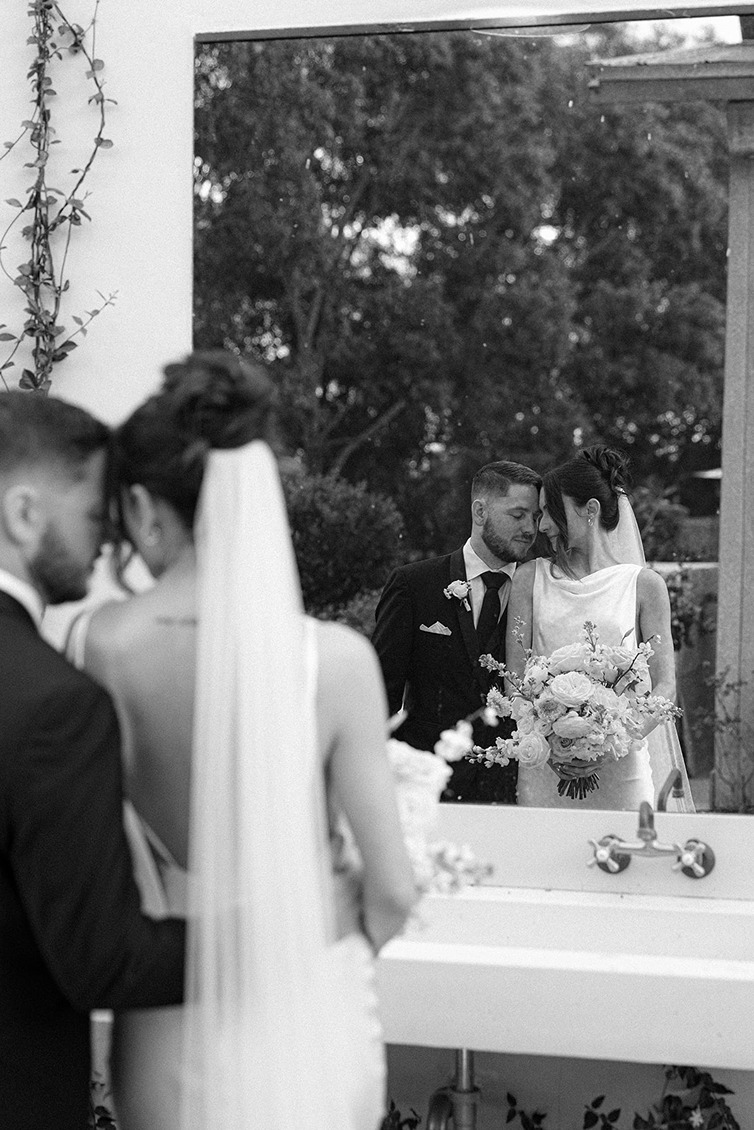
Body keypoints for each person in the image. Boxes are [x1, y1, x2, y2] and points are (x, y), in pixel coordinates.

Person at [70, 352, 416, 1130]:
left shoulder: (100, 645)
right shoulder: (334, 661)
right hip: (311, 1020)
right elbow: (392, 892)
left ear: (140, 505)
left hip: (168, 1029)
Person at [0, 392, 186, 1130]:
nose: (106, 546)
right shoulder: (54, 704)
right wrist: (279, 931)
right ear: (23, 515)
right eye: (89, 518)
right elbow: (105, 959)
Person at [508, 444, 691, 811]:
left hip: (623, 769)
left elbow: (665, 685)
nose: (541, 525)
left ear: (589, 510)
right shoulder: (529, 579)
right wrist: (551, 740)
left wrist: (610, 741)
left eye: (550, 512)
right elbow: (514, 679)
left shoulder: (644, 585)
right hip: (547, 768)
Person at [372, 460, 542, 804]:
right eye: (519, 515)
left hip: (510, 788)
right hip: (426, 783)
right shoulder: (414, 585)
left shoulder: (543, 593)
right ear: (480, 512)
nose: (530, 528)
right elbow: (381, 692)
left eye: (536, 518)